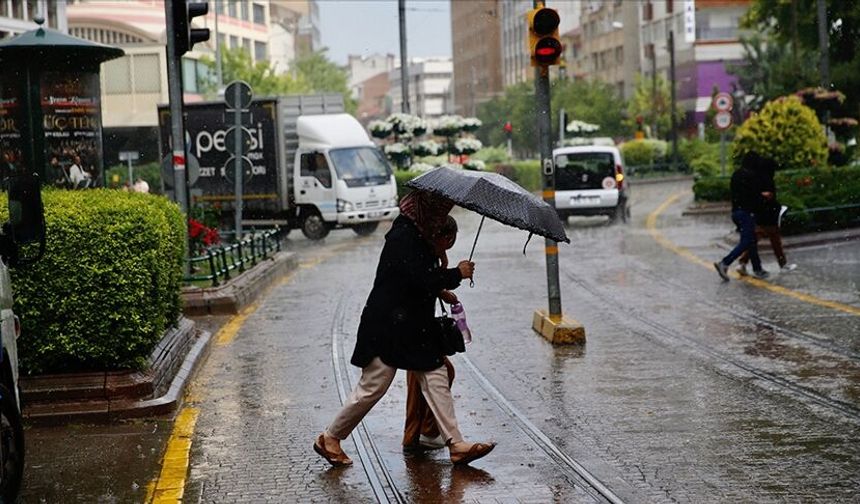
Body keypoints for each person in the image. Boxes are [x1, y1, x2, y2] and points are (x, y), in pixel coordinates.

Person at [314, 191, 495, 467]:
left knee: (435, 375)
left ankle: (456, 444)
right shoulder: (404, 237)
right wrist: (456, 274)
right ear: (425, 210)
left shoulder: (419, 236)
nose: (440, 218)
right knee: (374, 386)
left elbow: (415, 280)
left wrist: (442, 284)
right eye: (437, 212)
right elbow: (418, 279)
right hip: (388, 327)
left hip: (413, 328)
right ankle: (330, 438)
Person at [403, 215, 459, 451]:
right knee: (430, 377)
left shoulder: (431, 254)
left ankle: (420, 432)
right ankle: (422, 432)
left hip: (417, 325)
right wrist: (455, 273)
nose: (450, 245)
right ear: (442, 236)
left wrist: (442, 290)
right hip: (412, 325)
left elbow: (429, 282)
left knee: (421, 381)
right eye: (449, 240)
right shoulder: (421, 253)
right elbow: (421, 283)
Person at [714, 151, 772, 281]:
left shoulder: (736, 174)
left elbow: (740, 194)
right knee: (746, 241)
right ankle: (724, 263)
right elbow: (753, 196)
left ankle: (757, 269)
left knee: (751, 241)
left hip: (736, 212)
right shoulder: (751, 176)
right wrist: (764, 196)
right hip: (746, 213)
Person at [736, 159, 796, 274]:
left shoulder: (756, 179)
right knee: (774, 241)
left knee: (758, 239)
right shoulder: (767, 181)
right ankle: (782, 264)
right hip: (769, 216)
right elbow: (770, 198)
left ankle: (743, 262)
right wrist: (778, 207)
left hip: (761, 215)